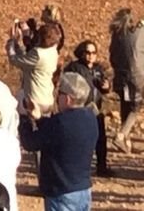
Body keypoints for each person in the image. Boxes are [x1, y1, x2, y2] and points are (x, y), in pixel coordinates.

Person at [18, 72, 98, 211]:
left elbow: (30, 142)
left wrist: (24, 118)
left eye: (59, 93)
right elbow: (60, 133)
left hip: (61, 192)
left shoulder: (58, 123)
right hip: (83, 189)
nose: (57, 96)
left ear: (67, 99)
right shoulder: (90, 118)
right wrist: (39, 119)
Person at [64, 39, 113, 176]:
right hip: (80, 109)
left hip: (96, 109)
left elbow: (105, 88)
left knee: (101, 139)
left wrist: (106, 87)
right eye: (87, 52)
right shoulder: (75, 68)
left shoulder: (98, 69)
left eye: (94, 52)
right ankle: (77, 166)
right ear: (81, 53)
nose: (91, 55)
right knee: (80, 139)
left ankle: (102, 167)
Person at [108, 7, 144, 154]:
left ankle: (126, 141)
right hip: (137, 76)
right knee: (136, 107)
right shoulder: (137, 33)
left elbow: (112, 56)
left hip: (120, 75)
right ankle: (121, 135)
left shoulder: (116, 35)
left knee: (125, 104)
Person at [6, 20, 60, 116]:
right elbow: (26, 60)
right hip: (47, 98)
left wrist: (12, 41)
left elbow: (14, 59)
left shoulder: (38, 54)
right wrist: (19, 44)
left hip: (35, 101)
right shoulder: (53, 51)